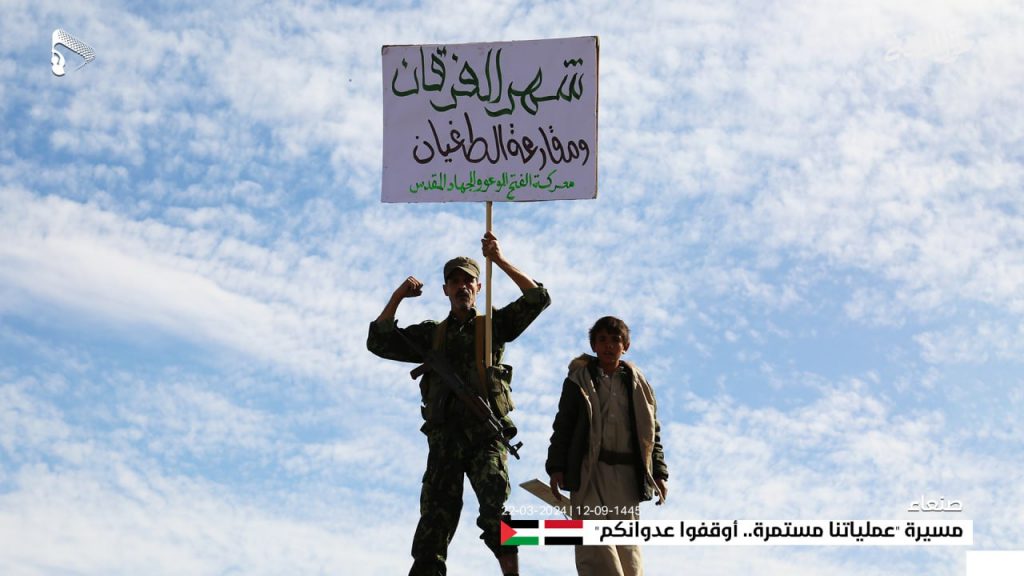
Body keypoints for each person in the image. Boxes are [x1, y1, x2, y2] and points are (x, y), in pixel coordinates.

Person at [367, 231, 550, 576]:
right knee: (434, 521)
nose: (462, 286)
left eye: (469, 281)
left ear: (479, 287)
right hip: (445, 440)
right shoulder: (432, 334)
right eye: (455, 281)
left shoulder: (492, 327)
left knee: (496, 514)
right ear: (445, 289)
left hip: (486, 437)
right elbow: (378, 340)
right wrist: (398, 295)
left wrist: (499, 260)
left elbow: (538, 297)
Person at [546, 316, 669, 576]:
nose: (608, 345)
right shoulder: (578, 381)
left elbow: (651, 434)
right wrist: (556, 467)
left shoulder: (639, 385)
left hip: (626, 476)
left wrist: (659, 473)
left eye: (615, 340)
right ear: (593, 345)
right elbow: (563, 425)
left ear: (626, 346)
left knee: (626, 548)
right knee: (594, 541)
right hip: (590, 471)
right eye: (602, 340)